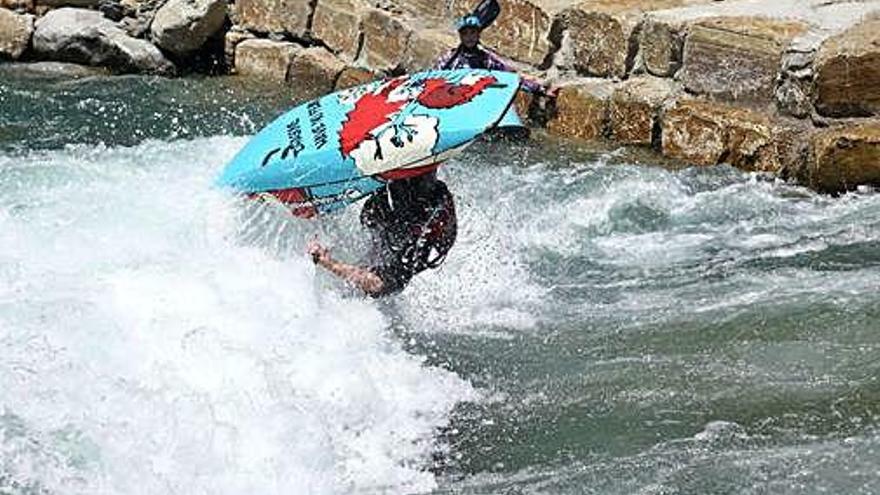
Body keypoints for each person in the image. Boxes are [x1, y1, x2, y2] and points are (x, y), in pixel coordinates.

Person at [307, 170, 457, 297]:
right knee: (377, 212)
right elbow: (374, 282)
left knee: (376, 213)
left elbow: (374, 283)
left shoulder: (401, 264)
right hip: (426, 212)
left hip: (419, 222)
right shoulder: (402, 263)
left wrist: (327, 262)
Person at [434, 14, 558, 98]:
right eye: (465, 33)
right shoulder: (448, 59)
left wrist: (541, 90)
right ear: (460, 36)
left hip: (477, 99)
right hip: (453, 98)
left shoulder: (487, 59)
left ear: (479, 35)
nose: (469, 37)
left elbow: (511, 77)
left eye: (473, 33)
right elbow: (432, 78)